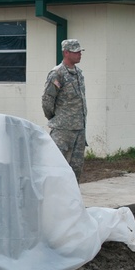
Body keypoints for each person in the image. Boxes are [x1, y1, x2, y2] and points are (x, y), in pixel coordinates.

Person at [42, 38, 87, 182]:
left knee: (76, 168)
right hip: (63, 130)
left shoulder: (79, 73)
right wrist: (56, 118)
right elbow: (47, 100)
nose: (79, 54)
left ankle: (73, 200)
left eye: (80, 51)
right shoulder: (57, 73)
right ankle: (55, 199)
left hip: (79, 129)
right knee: (57, 166)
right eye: (76, 52)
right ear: (66, 53)